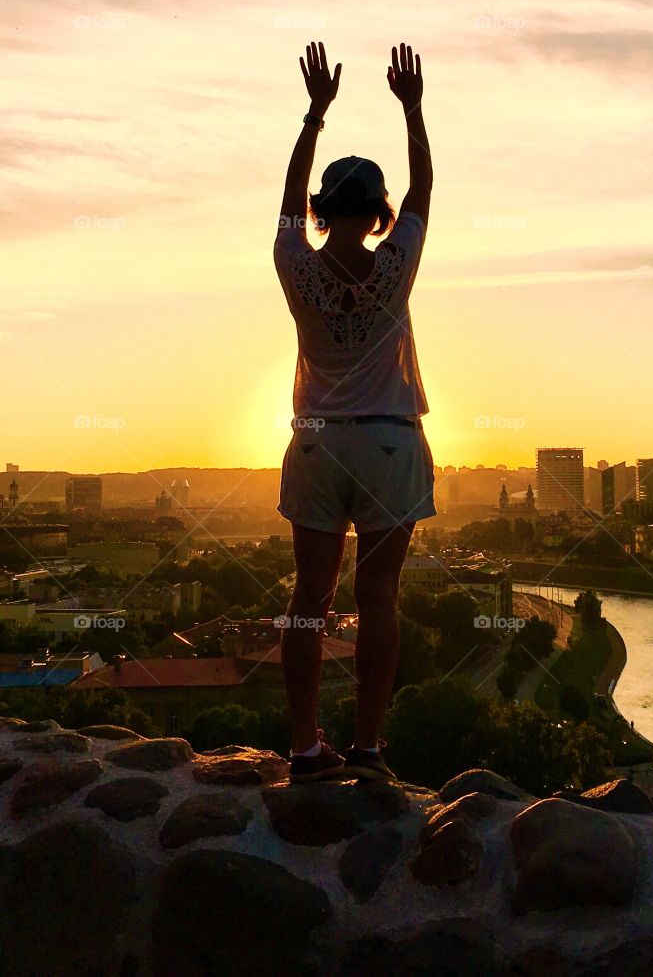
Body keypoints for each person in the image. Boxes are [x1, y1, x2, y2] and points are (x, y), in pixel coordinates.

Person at [273, 39, 434, 782]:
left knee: (309, 598)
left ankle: (305, 746)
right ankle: (368, 746)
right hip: (389, 445)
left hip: (315, 444)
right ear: (377, 214)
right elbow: (425, 189)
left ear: (322, 210)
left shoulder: (295, 264)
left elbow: (284, 200)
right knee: (378, 596)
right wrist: (413, 109)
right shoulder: (394, 266)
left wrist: (313, 115)